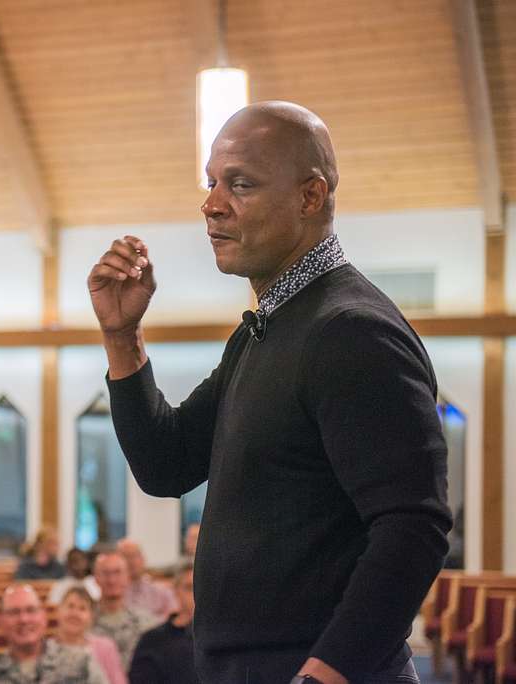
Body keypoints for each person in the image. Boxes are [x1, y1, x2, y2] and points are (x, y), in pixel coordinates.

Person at [88, 100, 452, 683]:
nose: (211, 204)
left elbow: (413, 526)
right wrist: (122, 336)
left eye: (240, 184)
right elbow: (167, 465)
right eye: (211, 183)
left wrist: (326, 673)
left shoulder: (350, 331)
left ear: (310, 197)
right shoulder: (269, 328)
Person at [0, 583, 107, 684]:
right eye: (14, 612)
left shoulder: (80, 664)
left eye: (31, 610)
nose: (23, 619)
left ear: (43, 617)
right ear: (0, 622)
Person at [128, 561, 198, 684]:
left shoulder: (221, 638)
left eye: (203, 588)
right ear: (176, 591)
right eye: (189, 588)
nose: (196, 595)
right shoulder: (152, 640)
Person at [89, 552, 155, 672]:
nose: (112, 580)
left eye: (117, 572)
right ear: (96, 578)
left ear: (128, 577)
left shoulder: (146, 623)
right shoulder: (85, 623)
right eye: (105, 573)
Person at [54, 587, 126, 684]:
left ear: (91, 617)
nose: (75, 614)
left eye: (82, 608)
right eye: (70, 606)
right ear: (58, 611)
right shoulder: (45, 649)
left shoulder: (106, 647)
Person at [115, 539, 176, 620]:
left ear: (143, 558)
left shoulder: (162, 591)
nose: (130, 561)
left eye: (134, 556)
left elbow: (173, 617)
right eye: (125, 556)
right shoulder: (112, 592)